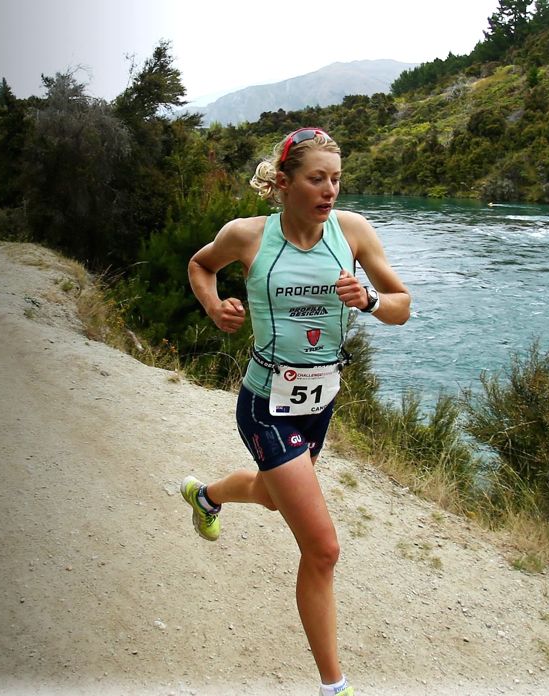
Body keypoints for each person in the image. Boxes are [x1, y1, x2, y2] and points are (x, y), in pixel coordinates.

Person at [179, 127, 410, 696]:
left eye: (336, 178)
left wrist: (371, 300)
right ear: (284, 184)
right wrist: (213, 305)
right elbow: (200, 265)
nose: (329, 190)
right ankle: (335, 687)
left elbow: (402, 306)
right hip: (266, 404)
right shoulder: (248, 236)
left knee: (273, 492)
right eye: (316, 179)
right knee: (323, 548)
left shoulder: (352, 233)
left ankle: (206, 495)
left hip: (319, 402)